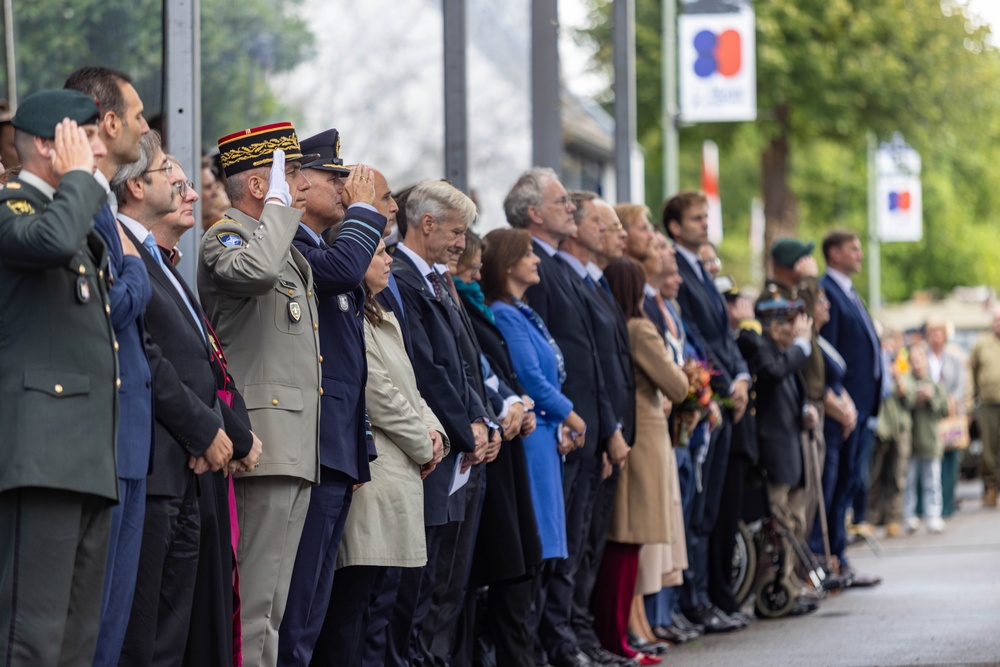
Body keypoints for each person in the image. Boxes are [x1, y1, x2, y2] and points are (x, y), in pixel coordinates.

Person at [0, 89, 118, 667]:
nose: (99, 153)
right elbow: (48, 243)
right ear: (50, 146)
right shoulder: (14, 206)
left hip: (84, 459)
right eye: (88, 138)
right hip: (40, 455)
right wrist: (78, 181)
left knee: (74, 642)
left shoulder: (73, 221)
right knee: (30, 639)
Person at [198, 121, 322, 667]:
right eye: (290, 176)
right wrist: (277, 209)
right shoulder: (225, 238)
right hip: (262, 442)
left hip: (292, 443)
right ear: (258, 187)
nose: (302, 188)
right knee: (251, 603)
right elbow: (254, 271)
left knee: (273, 605)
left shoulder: (282, 246)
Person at [278, 129, 387, 667]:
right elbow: (344, 271)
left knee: (316, 603)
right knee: (295, 605)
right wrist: (366, 212)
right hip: (312, 446)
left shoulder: (323, 245)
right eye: (333, 177)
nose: (345, 187)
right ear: (296, 182)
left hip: (336, 444)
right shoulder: (291, 244)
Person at [62, 66, 157, 667]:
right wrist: (139, 270)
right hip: (100, 438)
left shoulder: (95, 203)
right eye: (140, 114)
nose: (147, 127)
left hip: (126, 437)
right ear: (110, 120)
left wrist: (132, 268)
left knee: (112, 623)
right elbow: (108, 303)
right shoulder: (84, 206)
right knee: (90, 625)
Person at [504, 168, 617, 667]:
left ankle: (572, 635)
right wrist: (570, 419)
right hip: (561, 429)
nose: (570, 207)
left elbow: (591, 354)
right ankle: (558, 642)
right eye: (561, 202)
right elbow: (540, 362)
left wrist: (605, 425)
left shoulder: (561, 267)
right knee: (559, 545)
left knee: (577, 542)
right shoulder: (539, 270)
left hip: (580, 425)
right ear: (534, 213)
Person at [385, 180, 490, 667]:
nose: (461, 244)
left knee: (445, 580)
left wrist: (481, 420)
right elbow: (427, 369)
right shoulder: (400, 276)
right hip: (434, 448)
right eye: (455, 231)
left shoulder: (438, 279)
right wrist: (467, 431)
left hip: (458, 446)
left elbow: (465, 363)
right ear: (426, 224)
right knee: (418, 586)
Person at [484, 227, 574, 667]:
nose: (537, 260)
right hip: (532, 440)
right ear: (506, 265)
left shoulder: (521, 310)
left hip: (545, 436)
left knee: (547, 555)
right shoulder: (503, 312)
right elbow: (532, 379)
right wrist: (572, 415)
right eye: (528, 254)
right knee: (533, 554)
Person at [451, 231, 541, 667]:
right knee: (468, 577)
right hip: (479, 443)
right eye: (471, 258)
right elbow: (464, 372)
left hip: (501, 436)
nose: (476, 268)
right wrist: (503, 407)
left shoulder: (472, 302)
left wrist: (516, 401)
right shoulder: (466, 302)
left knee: (515, 562)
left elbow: (491, 371)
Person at [592, 257, 688, 664]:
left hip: (634, 434)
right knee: (629, 538)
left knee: (628, 538)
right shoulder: (640, 328)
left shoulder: (619, 327)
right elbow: (678, 385)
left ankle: (626, 632)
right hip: (645, 435)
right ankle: (618, 634)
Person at [662, 191, 750, 633]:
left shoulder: (702, 268)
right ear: (675, 227)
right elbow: (696, 335)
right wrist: (721, 383)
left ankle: (704, 598)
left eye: (705, 216)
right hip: (704, 402)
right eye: (696, 218)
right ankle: (692, 601)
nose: (704, 224)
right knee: (695, 508)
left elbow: (726, 335)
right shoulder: (674, 269)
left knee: (709, 507)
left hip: (722, 399)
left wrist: (742, 378)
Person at [562, 191, 638, 666]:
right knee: (575, 544)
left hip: (604, 430)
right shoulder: (570, 278)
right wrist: (606, 427)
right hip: (585, 430)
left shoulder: (597, 283)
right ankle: (571, 636)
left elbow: (608, 360)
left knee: (588, 543)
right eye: (608, 226)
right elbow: (585, 364)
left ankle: (582, 633)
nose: (619, 235)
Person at [737, 292, 819, 616]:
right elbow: (772, 373)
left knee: (794, 523)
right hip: (773, 452)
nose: (796, 328)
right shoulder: (761, 347)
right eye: (789, 321)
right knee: (779, 525)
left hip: (790, 451)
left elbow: (785, 391)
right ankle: (772, 589)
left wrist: (804, 413)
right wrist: (802, 345)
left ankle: (788, 584)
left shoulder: (783, 353)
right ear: (772, 325)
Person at [814, 229, 883, 585]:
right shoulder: (829, 293)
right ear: (834, 253)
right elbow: (831, 356)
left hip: (861, 409)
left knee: (849, 482)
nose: (860, 254)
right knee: (837, 483)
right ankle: (830, 558)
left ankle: (838, 557)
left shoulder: (850, 292)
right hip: (843, 410)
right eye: (853, 249)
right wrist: (839, 400)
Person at [870, 328, 914, 537]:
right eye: (886, 343)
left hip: (900, 427)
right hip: (881, 426)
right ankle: (872, 517)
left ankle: (894, 517)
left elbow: (911, 398)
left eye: (893, 343)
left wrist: (899, 380)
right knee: (875, 473)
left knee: (897, 475)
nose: (890, 348)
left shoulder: (904, 365)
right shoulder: (876, 363)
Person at [905, 343, 950, 533]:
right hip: (910, 441)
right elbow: (902, 405)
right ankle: (909, 516)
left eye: (920, 359)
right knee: (909, 481)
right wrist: (914, 398)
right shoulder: (905, 383)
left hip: (931, 440)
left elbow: (943, 408)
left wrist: (930, 397)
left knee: (932, 480)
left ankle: (934, 515)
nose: (917, 364)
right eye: (913, 360)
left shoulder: (934, 383)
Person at [924, 318, 967, 517]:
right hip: (929, 415)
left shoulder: (953, 358)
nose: (936, 337)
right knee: (931, 459)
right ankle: (929, 505)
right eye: (932, 333)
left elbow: (961, 383)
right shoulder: (924, 357)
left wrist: (952, 400)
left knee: (950, 459)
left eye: (939, 333)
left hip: (950, 414)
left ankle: (947, 504)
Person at [970, 306, 1000, 508]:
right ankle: (990, 487)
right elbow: (972, 371)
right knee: (989, 449)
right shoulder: (982, 344)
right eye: (996, 319)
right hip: (988, 403)